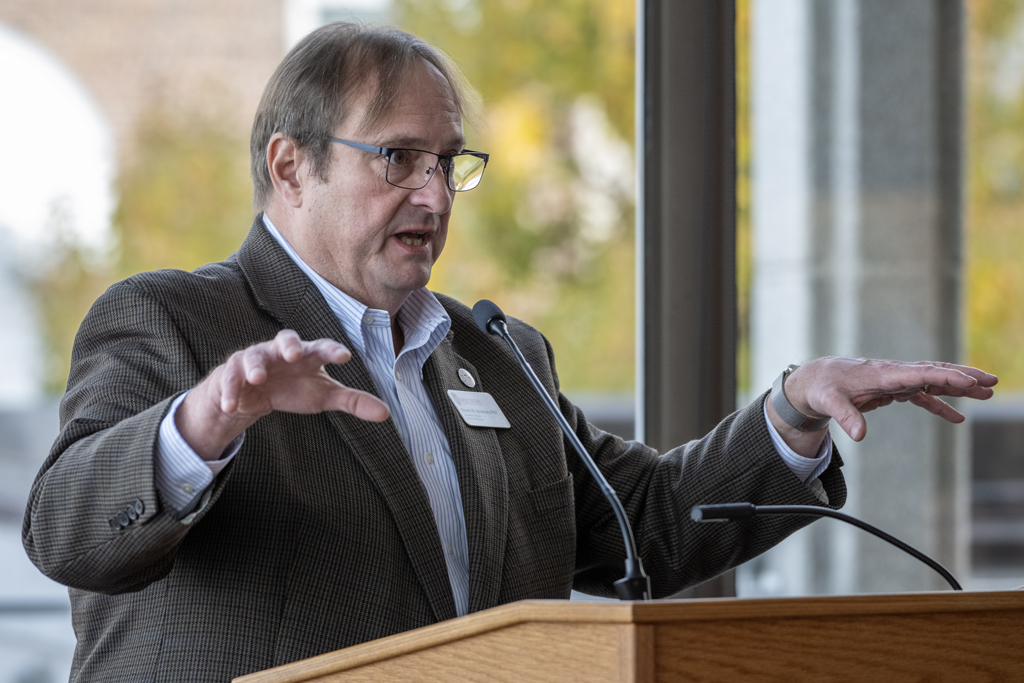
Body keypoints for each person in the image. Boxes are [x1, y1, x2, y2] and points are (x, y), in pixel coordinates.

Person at [23, 22, 996, 683]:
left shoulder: (495, 353)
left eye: (449, 161)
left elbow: (641, 527)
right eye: (398, 156)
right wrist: (205, 421)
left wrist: (789, 414)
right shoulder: (172, 322)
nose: (436, 194)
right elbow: (67, 533)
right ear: (290, 164)